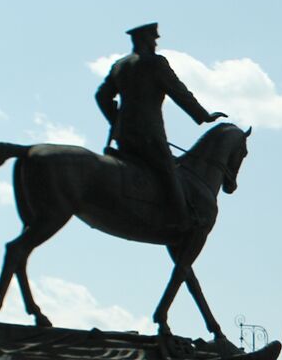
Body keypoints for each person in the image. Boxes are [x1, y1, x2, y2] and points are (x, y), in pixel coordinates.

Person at [94, 22, 226, 224]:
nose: (155, 43)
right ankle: (181, 217)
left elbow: (102, 96)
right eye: (153, 39)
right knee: (168, 169)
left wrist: (116, 120)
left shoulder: (120, 65)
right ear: (145, 39)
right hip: (149, 134)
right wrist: (203, 115)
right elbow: (179, 92)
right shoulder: (155, 63)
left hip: (123, 136)